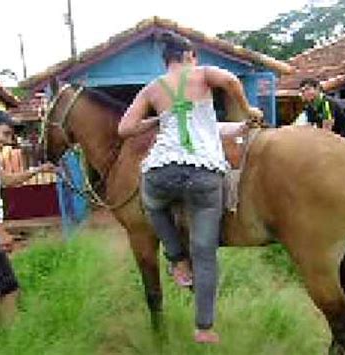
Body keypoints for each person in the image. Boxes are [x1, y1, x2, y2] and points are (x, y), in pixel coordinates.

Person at [118, 31, 263, 343]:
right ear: (188, 56)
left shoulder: (153, 88)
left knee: (152, 204)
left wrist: (155, 121)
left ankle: (175, 257)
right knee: (205, 251)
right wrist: (248, 110)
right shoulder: (201, 73)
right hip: (204, 175)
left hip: (161, 171)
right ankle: (204, 327)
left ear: (166, 61)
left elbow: (125, 128)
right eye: (195, 57)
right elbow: (231, 81)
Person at [0, 109, 55, 326]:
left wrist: (37, 170)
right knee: (7, 288)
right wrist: (0, 232)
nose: (7, 140)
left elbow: (8, 181)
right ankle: (12, 337)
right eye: (4, 134)